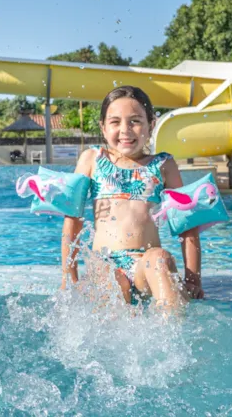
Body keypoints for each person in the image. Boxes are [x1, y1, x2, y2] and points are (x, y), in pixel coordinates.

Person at [61, 86, 201, 310]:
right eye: (115, 122)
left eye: (135, 121)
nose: (125, 130)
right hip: (105, 263)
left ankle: (173, 333)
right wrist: (68, 277)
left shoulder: (164, 164)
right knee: (110, 279)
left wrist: (193, 279)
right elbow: (72, 222)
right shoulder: (91, 159)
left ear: (151, 126)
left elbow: (187, 226)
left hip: (145, 265)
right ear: (103, 128)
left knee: (159, 259)